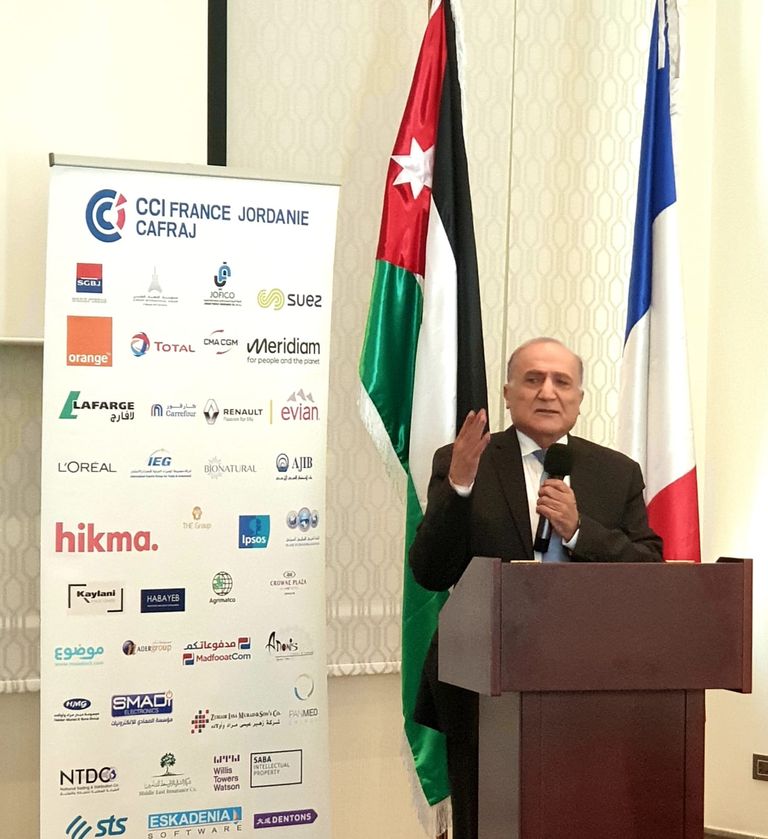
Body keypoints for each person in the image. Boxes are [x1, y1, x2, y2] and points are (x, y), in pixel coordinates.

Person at [409, 337, 663, 839]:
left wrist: (580, 531)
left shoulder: (615, 472)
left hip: (587, 682)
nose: (548, 392)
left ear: (579, 399)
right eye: (533, 379)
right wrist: (458, 487)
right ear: (508, 394)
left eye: (561, 381)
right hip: (482, 681)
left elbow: (649, 569)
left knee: (577, 816)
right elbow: (430, 571)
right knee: (488, 819)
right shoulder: (465, 459)